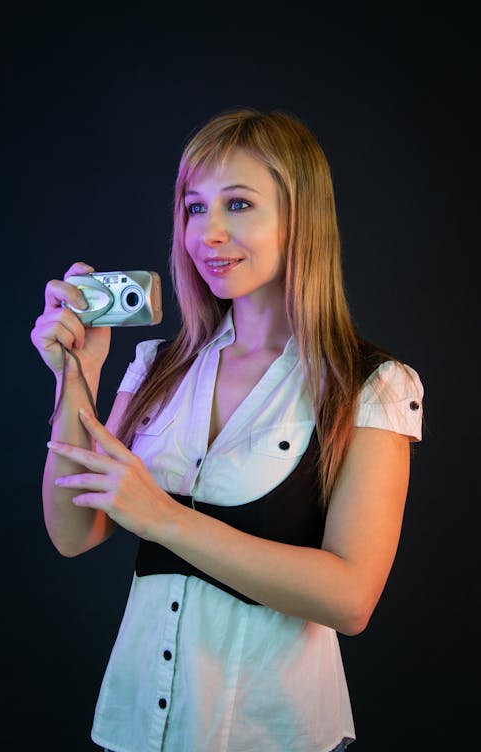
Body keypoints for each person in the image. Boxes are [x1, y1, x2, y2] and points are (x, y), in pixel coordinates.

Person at [30, 108, 424, 752]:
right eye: (193, 207)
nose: (207, 233)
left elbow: (352, 599)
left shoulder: (370, 384)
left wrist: (161, 517)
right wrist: (76, 373)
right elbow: (75, 532)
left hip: (271, 734)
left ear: (302, 218)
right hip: (131, 731)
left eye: (238, 204)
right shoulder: (160, 365)